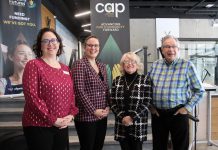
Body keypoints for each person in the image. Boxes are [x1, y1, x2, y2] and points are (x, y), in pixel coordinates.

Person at [22, 28, 78, 150]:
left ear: (59, 43)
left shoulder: (66, 69)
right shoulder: (33, 65)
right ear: (40, 45)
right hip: (39, 125)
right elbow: (32, 96)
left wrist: (71, 114)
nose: (50, 44)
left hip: (62, 124)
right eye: (45, 41)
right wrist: (52, 119)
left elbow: (71, 94)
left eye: (54, 40)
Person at [148, 35, 205, 150]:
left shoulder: (187, 65)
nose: (171, 49)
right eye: (167, 46)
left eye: (174, 46)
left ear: (178, 49)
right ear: (162, 50)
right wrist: (151, 107)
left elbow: (199, 91)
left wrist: (187, 108)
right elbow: (146, 89)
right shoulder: (155, 65)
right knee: (158, 146)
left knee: (181, 146)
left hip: (178, 113)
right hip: (158, 114)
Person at [72, 35, 110, 150]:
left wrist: (108, 106)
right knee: (87, 147)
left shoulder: (102, 66)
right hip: (86, 116)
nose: (93, 48)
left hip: (102, 115)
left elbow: (106, 88)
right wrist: (93, 110)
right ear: (84, 47)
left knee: (98, 146)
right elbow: (79, 90)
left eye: (96, 45)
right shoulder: (79, 64)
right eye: (90, 45)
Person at [110, 52, 152, 150]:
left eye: (133, 61)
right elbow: (112, 102)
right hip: (121, 123)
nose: (130, 64)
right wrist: (122, 117)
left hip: (138, 123)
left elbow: (147, 102)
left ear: (137, 65)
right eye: (126, 61)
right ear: (123, 65)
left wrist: (132, 118)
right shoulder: (117, 80)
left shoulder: (145, 80)